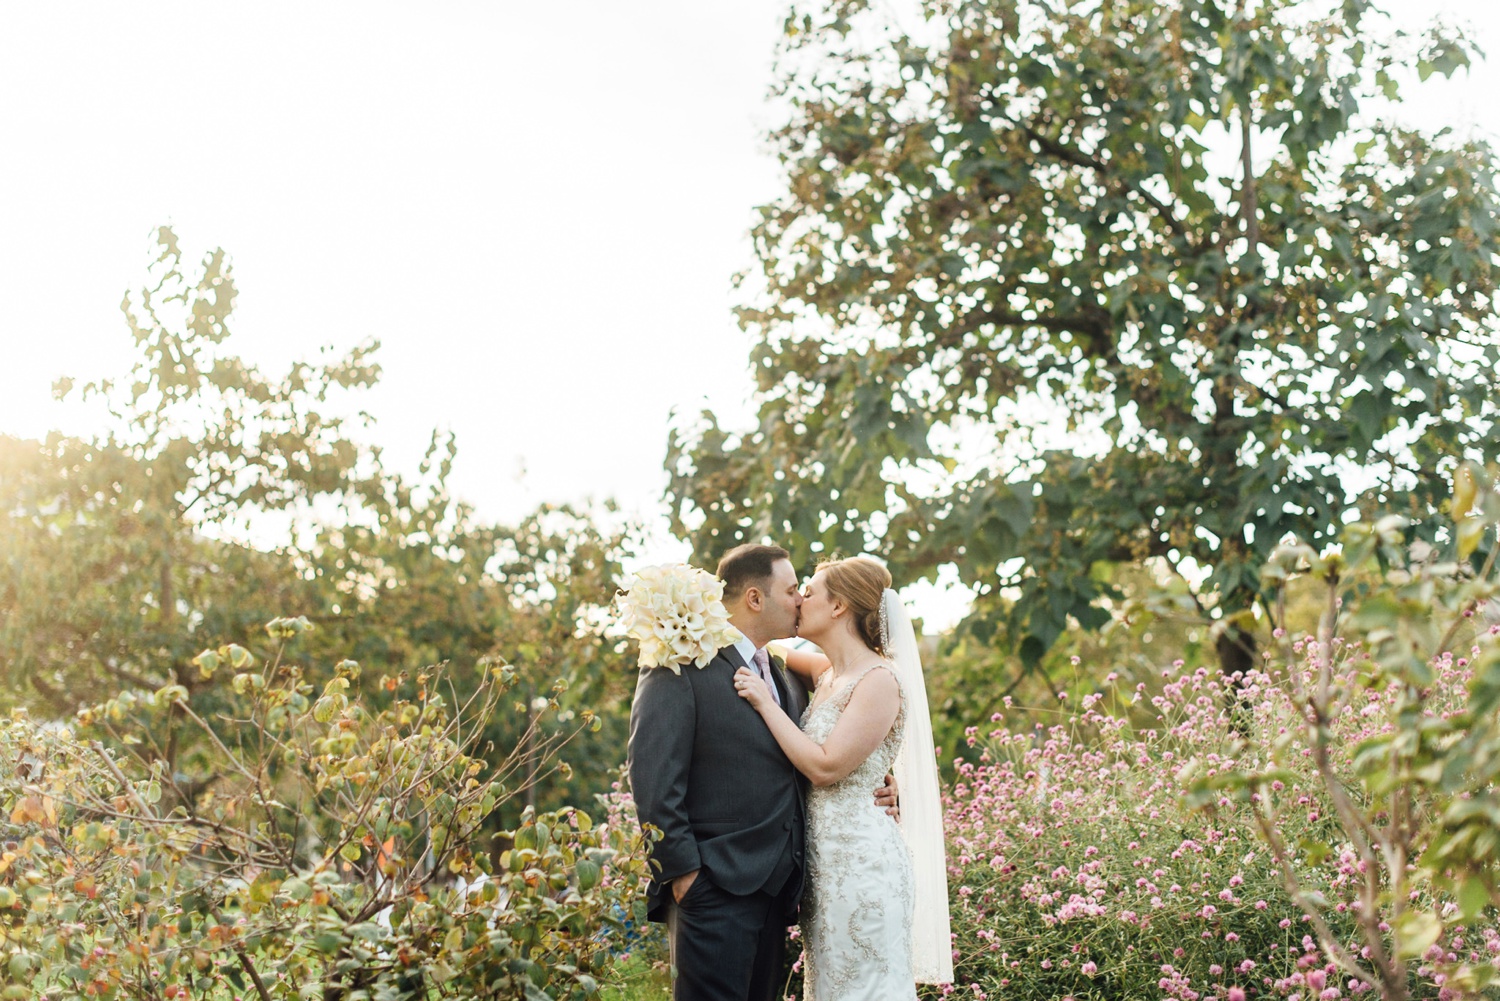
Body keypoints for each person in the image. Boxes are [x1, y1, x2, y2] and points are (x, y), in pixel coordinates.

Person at [627, 544, 899, 1001]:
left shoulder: (784, 674)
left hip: (780, 894)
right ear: (755, 598)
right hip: (711, 889)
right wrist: (684, 876)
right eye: (793, 589)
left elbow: (846, 734)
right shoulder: (681, 665)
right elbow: (651, 774)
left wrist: (883, 783)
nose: (799, 599)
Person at [734, 556, 952, 1000]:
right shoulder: (827, 672)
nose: (798, 600)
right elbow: (758, 645)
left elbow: (826, 767)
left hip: (864, 867)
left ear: (838, 608)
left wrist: (765, 703)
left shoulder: (879, 680)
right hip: (825, 870)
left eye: (808, 591)